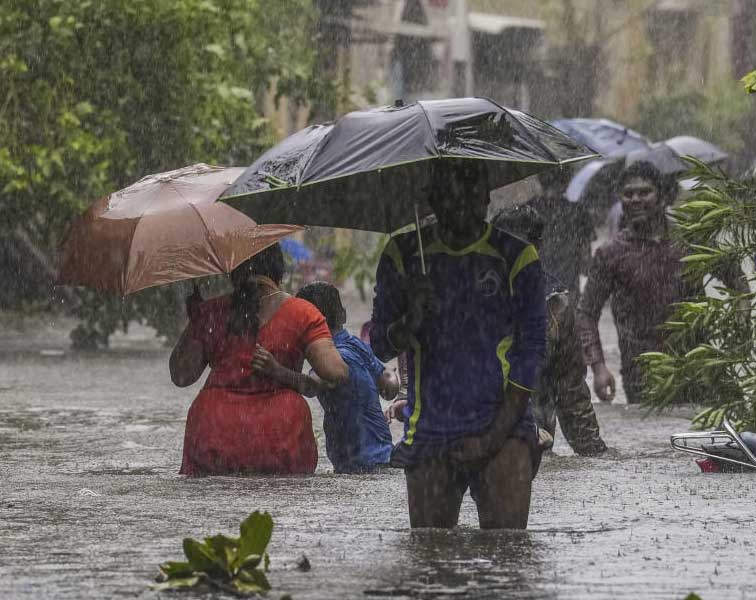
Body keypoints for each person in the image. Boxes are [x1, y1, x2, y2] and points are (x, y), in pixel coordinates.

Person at [369, 161, 547, 530]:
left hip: (503, 429)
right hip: (429, 432)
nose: (460, 205)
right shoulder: (403, 256)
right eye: (449, 196)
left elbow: (531, 354)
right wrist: (411, 318)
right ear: (432, 200)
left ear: (486, 197)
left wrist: (493, 437)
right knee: (429, 560)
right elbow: (380, 345)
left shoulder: (516, 256)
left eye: (470, 194)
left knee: (508, 557)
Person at [169, 244, 349, 476]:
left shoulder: (211, 312)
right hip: (280, 432)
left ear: (233, 272)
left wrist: (196, 319)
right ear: (279, 271)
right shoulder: (304, 313)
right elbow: (335, 372)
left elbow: (181, 376)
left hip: (214, 429)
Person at [576, 161, 747, 404]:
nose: (635, 199)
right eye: (628, 193)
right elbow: (586, 313)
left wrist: (740, 330)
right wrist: (599, 368)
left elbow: (737, 281)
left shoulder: (690, 241)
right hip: (643, 375)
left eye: (644, 192)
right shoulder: (610, 254)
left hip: (699, 368)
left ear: (662, 197)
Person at [491, 204, 608, 456]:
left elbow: (570, 390)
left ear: (537, 247)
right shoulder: (470, 299)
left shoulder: (556, 306)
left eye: (519, 247)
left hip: (537, 448)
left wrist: (595, 454)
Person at [277, 281, 400, 473]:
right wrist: (393, 373)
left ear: (308, 325)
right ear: (343, 314)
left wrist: (276, 369)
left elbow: (310, 386)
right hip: (384, 456)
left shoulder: (333, 359)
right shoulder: (356, 345)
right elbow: (389, 387)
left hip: (359, 466)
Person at [526, 168, 595, 301]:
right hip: (567, 287)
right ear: (567, 181)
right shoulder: (578, 211)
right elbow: (585, 257)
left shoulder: (528, 209)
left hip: (535, 286)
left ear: (540, 180)